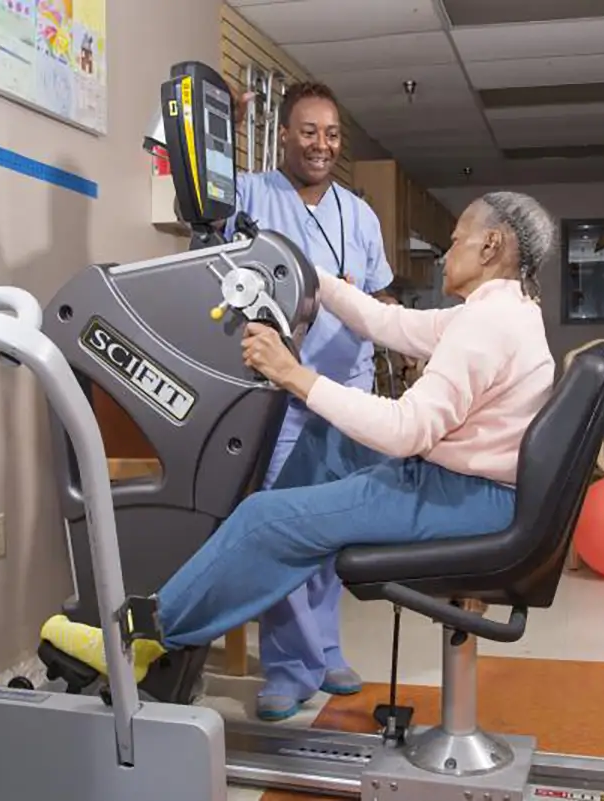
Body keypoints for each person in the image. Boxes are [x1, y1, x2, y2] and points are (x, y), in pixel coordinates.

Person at [41, 191, 559, 710]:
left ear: (491, 244)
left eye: (456, 240)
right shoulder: (503, 313)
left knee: (266, 517)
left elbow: (407, 430)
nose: (447, 254)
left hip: (465, 496)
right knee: (326, 440)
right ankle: (260, 548)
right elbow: (387, 325)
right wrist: (303, 272)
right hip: (472, 486)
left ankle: (137, 639)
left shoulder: (485, 327)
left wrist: (293, 375)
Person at [217, 80, 396, 720]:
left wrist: (371, 306)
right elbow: (199, 199)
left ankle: (325, 648)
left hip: (348, 393)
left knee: (330, 526)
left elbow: (383, 301)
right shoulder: (251, 194)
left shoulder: (360, 213)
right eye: (309, 131)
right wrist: (226, 125)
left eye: (332, 134)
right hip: (277, 393)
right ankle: (289, 668)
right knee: (283, 523)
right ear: (286, 134)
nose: (321, 144)